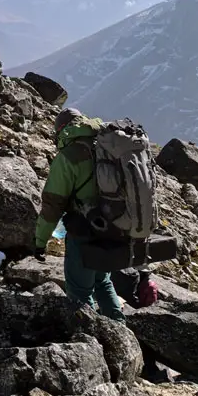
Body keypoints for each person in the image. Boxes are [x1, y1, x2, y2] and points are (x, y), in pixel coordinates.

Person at [34, 108, 125, 321]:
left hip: (85, 230)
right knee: (102, 281)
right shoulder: (104, 146)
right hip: (114, 227)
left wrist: (40, 240)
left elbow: (53, 204)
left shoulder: (69, 156)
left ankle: (89, 342)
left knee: (79, 292)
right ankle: (120, 331)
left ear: (62, 130)